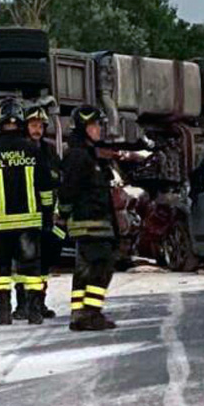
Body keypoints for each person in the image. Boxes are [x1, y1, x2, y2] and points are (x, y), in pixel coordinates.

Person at [0, 98, 55, 325]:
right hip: (29, 222)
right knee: (30, 268)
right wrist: (48, 215)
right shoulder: (32, 150)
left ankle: (4, 311)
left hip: (0, 223)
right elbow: (45, 187)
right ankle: (33, 312)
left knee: (2, 268)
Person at [59, 105, 118, 332]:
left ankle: (79, 314)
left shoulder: (87, 154)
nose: (98, 130)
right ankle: (91, 313)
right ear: (84, 127)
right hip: (90, 223)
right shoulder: (79, 156)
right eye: (94, 125)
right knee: (102, 267)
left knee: (85, 270)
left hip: (93, 222)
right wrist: (64, 213)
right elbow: (68, 190)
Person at [13, 104, 62, 320]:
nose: (37, 130)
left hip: (46, 214)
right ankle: (22, 304)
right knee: (24, 261)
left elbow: (58, 180)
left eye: (40, 126)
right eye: (33, 125)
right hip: (23, 214)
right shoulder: (19, 151)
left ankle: (39, 302)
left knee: (44, 262)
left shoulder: (49, 151)